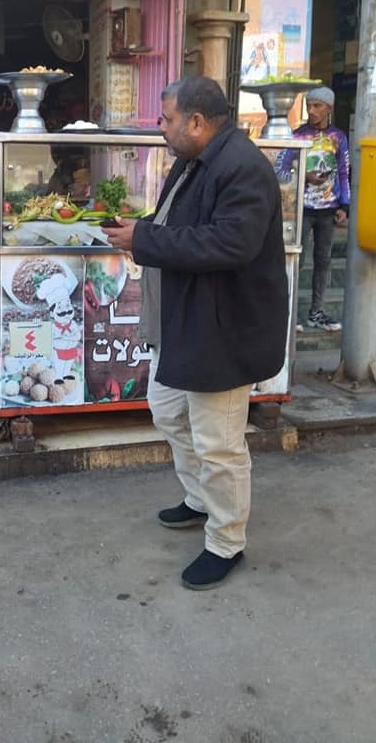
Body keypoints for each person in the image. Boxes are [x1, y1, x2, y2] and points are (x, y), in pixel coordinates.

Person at [102, 75, 288, 590]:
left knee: (218, 442)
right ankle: (201, 499)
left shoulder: (242, 167)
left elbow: (230, 245)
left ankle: (226, 541)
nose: (161, 128)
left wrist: (145, 240)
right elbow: (177, 224)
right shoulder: (193, 160)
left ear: (197, 122)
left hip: (225, 329)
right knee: (167, 411)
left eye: (167, 119)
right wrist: (137, 229)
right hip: (186, 321)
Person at [292, 86, 350, 332]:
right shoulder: (297, 136)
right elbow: (282, 169)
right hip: (302, 209)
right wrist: (304, 176)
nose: (311, 111)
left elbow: (344, 172)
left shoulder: (339, 137)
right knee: (297, 261)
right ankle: (291, 313)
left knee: (323, 262)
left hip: (328, 210)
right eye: (309, 106)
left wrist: (344, 205)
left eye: (317, 106)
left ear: (329, 108)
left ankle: (316, 312)